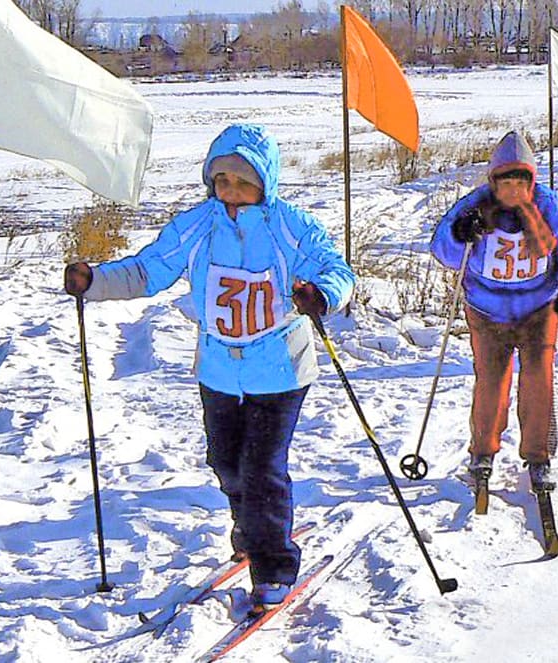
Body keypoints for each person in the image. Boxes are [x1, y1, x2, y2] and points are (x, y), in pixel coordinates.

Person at [64, 123, 355, 609]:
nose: (232, 191)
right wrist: (94, 281)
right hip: (218, 370)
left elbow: (335, 269)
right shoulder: (197, 225)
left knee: (262, 469)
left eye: (243, 181)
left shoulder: (292, 226)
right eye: (222, 180)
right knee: (226, 464)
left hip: (279, 370)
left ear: (265, 182)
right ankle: (249, 525)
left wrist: (321, 294)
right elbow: (148, 269)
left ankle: (274, 567)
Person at [430, 131, 558, 492]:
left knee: (538, 380)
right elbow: (443, 252)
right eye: (506, 182)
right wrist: (459, 234)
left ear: (531, 182)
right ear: (494, 181)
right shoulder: (475, 207)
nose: (514, 190)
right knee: (491, 382)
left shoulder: (549, 208)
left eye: (521, 182)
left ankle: (538, 456)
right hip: (487, 311)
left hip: (539, 308)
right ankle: (482, 452)